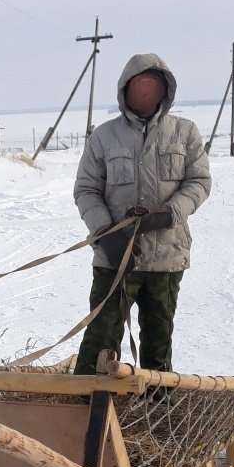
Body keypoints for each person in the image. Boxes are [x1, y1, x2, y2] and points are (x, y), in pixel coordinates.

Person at [72, 53, 211, 375]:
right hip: (114, 258)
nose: (145, 94)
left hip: (167, 255)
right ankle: (83, 408)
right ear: (125, 90)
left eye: (153, 87)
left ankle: (158, 410)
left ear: (165, 92)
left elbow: (199, 182)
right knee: (101, 338)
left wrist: (170, 213)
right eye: (139, 86)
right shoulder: (103, 137)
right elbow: (86, 189)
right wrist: (106, 234)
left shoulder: (185, 133)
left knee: (158, 342)